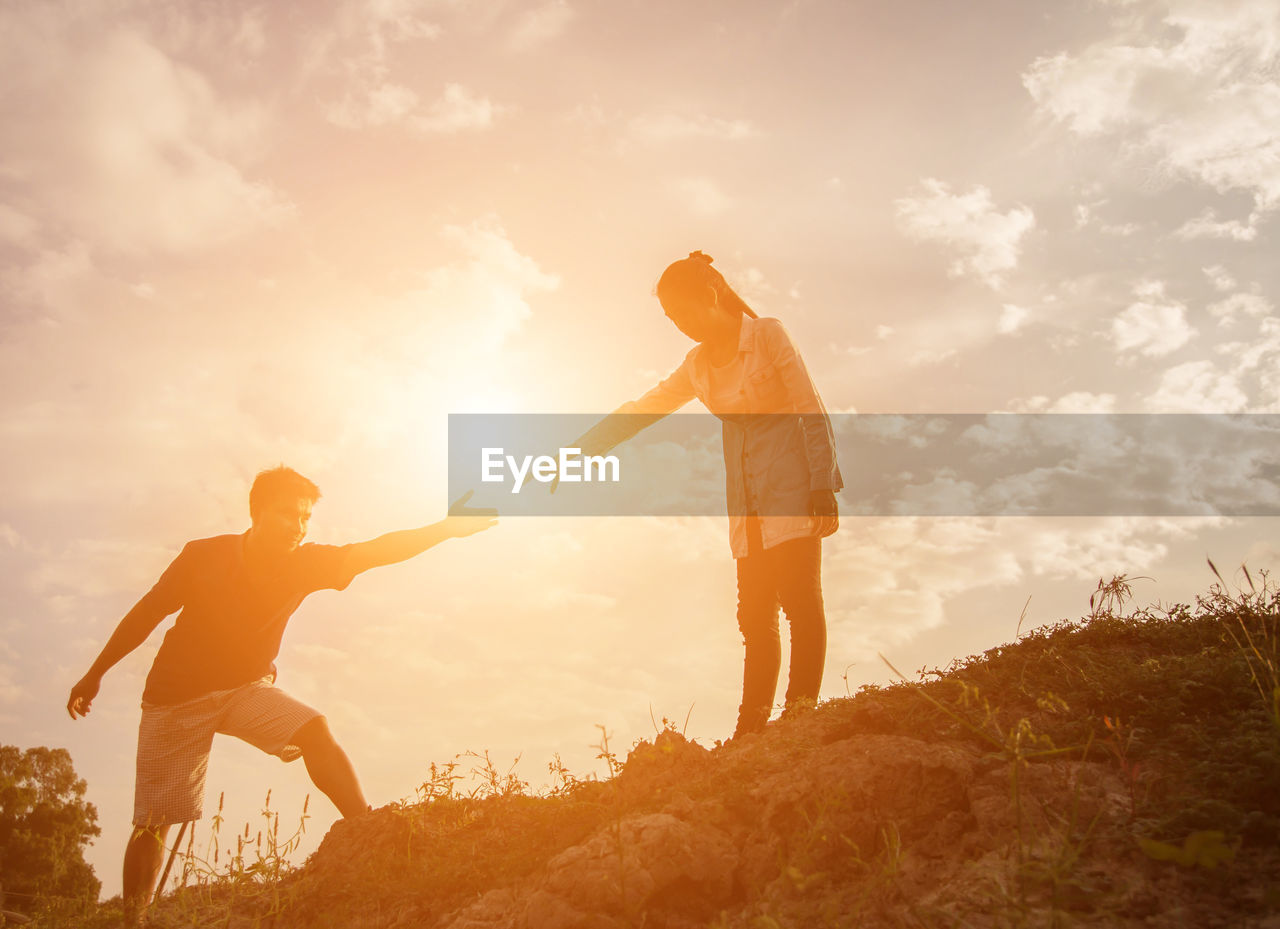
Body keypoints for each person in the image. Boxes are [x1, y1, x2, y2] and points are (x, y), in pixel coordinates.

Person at [66, 466, 497, 927]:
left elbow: (376, 551)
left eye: (305, 517)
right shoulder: (203, 556)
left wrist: (446, 529)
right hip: (175, 698)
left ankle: (367, 830)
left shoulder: (305, 563)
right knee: (155, 818)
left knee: (313, 729)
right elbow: (147, 613)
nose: (298, 525)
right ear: (257, 512)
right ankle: (134, 920)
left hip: (245, 689)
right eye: (287, 513)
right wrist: (95, 674)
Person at [573, 251, 841, 740]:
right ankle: (750, 730)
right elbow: (646, 406)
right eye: (671, 319)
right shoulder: (696, 366)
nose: (680, 325)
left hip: (793, 486)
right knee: (753, 616)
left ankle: (801, 715)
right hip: (746, 501)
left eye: (683, 312)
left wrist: (822, 482)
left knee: (800, 601)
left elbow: (810, 407)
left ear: (712, 296)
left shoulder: (766, 336)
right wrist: (585, 445)